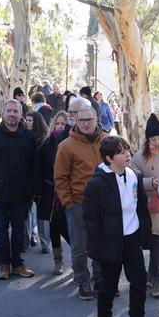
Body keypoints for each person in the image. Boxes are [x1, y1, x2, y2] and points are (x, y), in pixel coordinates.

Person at [84, 135, 159, 317]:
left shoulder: (134, 175)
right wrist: (98, 247)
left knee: (139, 281)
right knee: (109, 284)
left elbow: (141, 208)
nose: (127, 154)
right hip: (110, 241)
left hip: (131, 238)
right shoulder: (97, 184)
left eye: (127, 150)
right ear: (109, 159)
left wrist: (144, 235)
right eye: (121, 152)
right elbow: (91, 220)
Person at [0, 99, 41, 280]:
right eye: (9, 110)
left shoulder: (29, 137)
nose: (12, 114)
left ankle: (18, 264)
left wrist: (35, 191)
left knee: (19, 230)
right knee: (1, 230)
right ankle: (4, 264)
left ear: (21, 114)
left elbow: (35, 166)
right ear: (3, 113)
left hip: (22, 193)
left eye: (16, 111)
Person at [54, 98, 105, 298]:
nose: (85, 123)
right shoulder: (66, 146)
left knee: (101, 243)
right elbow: (60, 178)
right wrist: (70, 203)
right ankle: (82, 280)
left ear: (96, 119)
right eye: (81, 119)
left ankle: (100, 277)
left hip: (103, 204)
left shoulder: (107, 141)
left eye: (89, 119)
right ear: (76, 120)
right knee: (80, 246)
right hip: (78, 204)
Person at [129, 114, 159, 298]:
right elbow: (133, 180)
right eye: (152, 138)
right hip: (146, 205)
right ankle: (147, 275)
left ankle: (157, 278)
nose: (156, 141)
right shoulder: (138, 157)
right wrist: (149, 182)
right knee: (144, 242)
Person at [43, 111, 71, 275]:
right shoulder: (46, 143)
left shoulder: (71, 143)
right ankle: (58, 261)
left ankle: (78, 257)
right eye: (58, 123)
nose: (60, 127)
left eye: (63, 124)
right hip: (50, 192)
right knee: (54, 227)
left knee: (70, 228)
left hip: (67, 191)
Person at [26, 111, 53, 254]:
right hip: (26, 180)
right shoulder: (23, 136)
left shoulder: (44, 140)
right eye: (26, 120)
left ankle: (44, 243)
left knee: (42, 215)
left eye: (30, 120)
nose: (27, 122)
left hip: (42, 181)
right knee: (27, 212)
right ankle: (28, 237)